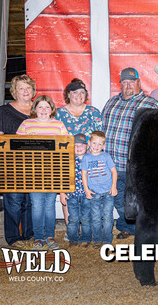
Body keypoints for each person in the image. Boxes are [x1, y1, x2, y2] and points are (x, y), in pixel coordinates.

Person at [102, 67, 158, 240]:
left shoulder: (151, 104)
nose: (128, 85)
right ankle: (125, 226)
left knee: (139, 201)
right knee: (118, 200)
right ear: (120, 83)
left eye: (131, 81)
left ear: (138, 82)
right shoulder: (111, 102)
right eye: (124, 82)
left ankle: (143, 229)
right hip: (111, 163)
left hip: (135, 163)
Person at [0, 74, 36, 248]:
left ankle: (30, 234)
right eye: (21, 88)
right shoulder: (4, 111)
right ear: (14, 91)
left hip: (36, 165)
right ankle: (14, 237)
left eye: (28, 87)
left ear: (33, 91)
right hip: (12, 165)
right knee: (14, 202)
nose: (25, 91)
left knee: (31, 202)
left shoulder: (40, 110)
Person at [16, 95, 69, 250]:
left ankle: (50, 236)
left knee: (49, 206)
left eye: (47, 107)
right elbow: (15, 146)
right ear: (35, 109)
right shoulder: (27, 124)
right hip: (33, 173)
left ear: (52, 109)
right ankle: (38, 237)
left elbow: (66, 148)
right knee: (37, 205)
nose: (44, 110)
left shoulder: (59, 125)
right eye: (40, 107)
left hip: (52, 172)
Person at [55, 78, 102, 231]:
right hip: (67, 162)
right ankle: (71, 231)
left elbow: (99, 136)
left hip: (90, 161)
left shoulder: (93, 112)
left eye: (82, 92)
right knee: (69, 197)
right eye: (75, 92)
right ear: (68, 94)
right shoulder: (59, 114)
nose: (78, 95)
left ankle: (90, 230)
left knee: (91, 195)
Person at [81, 131, 117, 248]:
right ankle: (97, 240)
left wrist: (113, 186)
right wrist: (86, 189)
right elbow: (84, 174)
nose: (96, 146)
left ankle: (107, 240)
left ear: (104, 146)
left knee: (108, 217)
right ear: (89, 143)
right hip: (94, 193)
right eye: (94, 143)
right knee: (95, 217)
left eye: (100, 144)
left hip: (108, 193)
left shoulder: (106, 156)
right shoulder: (86, 158)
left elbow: (113, 172)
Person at [62, 134, 92, 248]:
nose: (78, 147)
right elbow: (62, 177)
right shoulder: (67, 159)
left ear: (87, 146)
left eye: (81, 145)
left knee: (86, 218)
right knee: (73, 218)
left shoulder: (90, 159)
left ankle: (86, 239)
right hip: (72, 195)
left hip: (86, 195)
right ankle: (73, 239)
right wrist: (62, 192)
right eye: (75, 145)